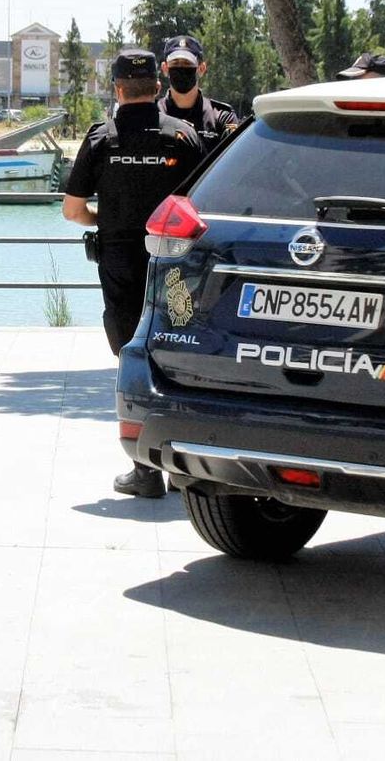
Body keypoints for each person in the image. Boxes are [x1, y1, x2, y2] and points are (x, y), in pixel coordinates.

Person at [63, 49, 200, 498]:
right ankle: (188, 468)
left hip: (120, 259)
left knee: (131, 358)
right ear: (157, 88)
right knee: (180, 356)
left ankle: (145, 472)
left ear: (118, 89)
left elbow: (72, 209)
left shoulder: (102, 138)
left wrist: (103, 220)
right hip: (175, 261)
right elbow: (204, 204)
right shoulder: (184, 136)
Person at [156, 35, 240, 155]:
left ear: (201, 68)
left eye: (187, 63)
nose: (181, 68)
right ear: (165, 68)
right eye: (175, 63)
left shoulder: (221, 117)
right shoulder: (154, 113)